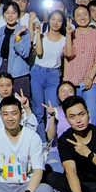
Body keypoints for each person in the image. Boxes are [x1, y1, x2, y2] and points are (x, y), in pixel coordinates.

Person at [30, 11, 72, 139]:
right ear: (49, 20)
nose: (55, 22)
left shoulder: (64, 39)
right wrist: (38, 33)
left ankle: (53, 141)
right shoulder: (42, 35)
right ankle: (41, 141)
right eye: (53, 19)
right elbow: (39, 52)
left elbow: (69, 53)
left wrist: (69, 34)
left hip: (53, 75)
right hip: (38, 73)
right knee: (38, 111)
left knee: (52, 110)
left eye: (59, 20)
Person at [63, 5, 96, 120]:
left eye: (85, 14)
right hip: (73, 81)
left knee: (93, 116)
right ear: (74, 18)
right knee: (75, 116)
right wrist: (68, 35)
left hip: (92, 81)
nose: (82, 17)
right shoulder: (72, 34)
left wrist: (90, 78)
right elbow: (68, 54)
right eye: (78, 15)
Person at [0, 3, 31, 98]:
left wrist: (17, 38)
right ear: (3, 15)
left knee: (20, 101)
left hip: (19, 72)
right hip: (2, 68)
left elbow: (25, 53)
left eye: (13, 12)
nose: (10, 16)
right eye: (7, 12)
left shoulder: (24, 32)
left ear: (18, 14)